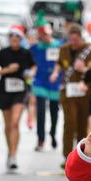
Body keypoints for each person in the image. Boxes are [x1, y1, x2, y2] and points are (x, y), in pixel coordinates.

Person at [0, 27, 35, 171]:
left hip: (20, 91)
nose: (14, 40)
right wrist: (7, 70)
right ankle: (10, 151)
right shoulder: (3, 53)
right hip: (5, 91)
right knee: (8, 125)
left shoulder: (25, 53)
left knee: (15, 123)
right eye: (12, 38)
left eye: (17, 38)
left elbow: (34, 66)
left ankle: (14, 155)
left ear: (21, 39)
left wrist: (30, 73)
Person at [52, 24, 91, 159]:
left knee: (82, 124)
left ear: (81, 38)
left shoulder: (90, 51)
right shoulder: (64, 49)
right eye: (71, 40)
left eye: (76, 40)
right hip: (67, 91)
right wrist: (55, 73)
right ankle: (67, 156)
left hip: (84, 92)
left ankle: (80, 155)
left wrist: (84, 68)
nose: (73, 43)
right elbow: (59, 63)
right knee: (69, 122)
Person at [29, 24, 61, 152]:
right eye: (44, 34)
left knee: (54, 110)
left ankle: (53, 133)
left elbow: (62, 61)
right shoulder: (36, 47)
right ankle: (40, 139)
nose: (47, 37)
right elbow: (29, 60)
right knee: (41, 110)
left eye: (48, 34)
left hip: (54, 82)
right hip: (40, 81)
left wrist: (56, 73)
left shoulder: (58, 45)